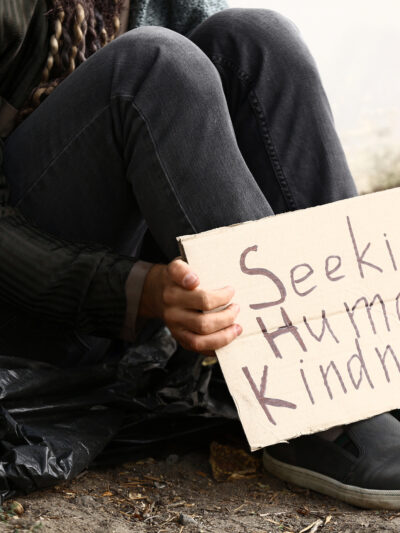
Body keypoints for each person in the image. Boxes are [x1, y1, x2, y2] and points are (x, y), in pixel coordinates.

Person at [1, 0, 400, 510]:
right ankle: (316, 406)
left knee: (253, 36)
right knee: (150, 66)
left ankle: (367, 355)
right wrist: (133, 288)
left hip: (113, 270)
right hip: (27, 308)